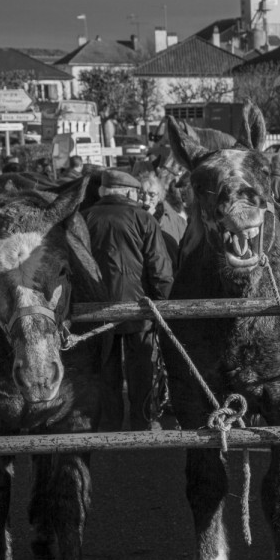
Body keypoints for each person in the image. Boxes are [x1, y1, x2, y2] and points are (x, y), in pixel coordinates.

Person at [83, 169, 174, 431]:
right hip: (139, 306)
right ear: (129, 192)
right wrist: (165, 305)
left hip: (95, 308)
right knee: (142, 367)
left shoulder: (84, 218)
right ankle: (142, 422)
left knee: (104, 369)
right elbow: (160, 269)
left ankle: (110, 423)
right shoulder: (143, 218)